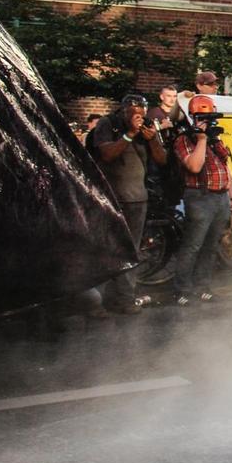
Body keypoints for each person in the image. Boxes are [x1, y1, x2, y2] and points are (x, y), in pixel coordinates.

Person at [87, 94, 168, 314]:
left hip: (137, 198)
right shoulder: (107, 124)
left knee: (130, 251)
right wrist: (130, 134)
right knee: (107, 248)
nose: (138, 116)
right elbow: (107, 154)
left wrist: (152, 139)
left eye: (141, 112)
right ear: (123, 111)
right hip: (112, 198)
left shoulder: (148, 126)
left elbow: (162, 160)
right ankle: (94, 303)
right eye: (134, 113)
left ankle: (123, 299)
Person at [172, 94, 232, 306]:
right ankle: (182, 290)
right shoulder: (184, 139)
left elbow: (225, 169)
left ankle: (203, 287)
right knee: (192, 245)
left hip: (220, 198)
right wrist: (201, 139)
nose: (209, 123)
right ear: (194, 117)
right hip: (199, 197)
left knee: (211, 247)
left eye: (211, 118)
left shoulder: (214, 141)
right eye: (204, 118)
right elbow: (194, 166)